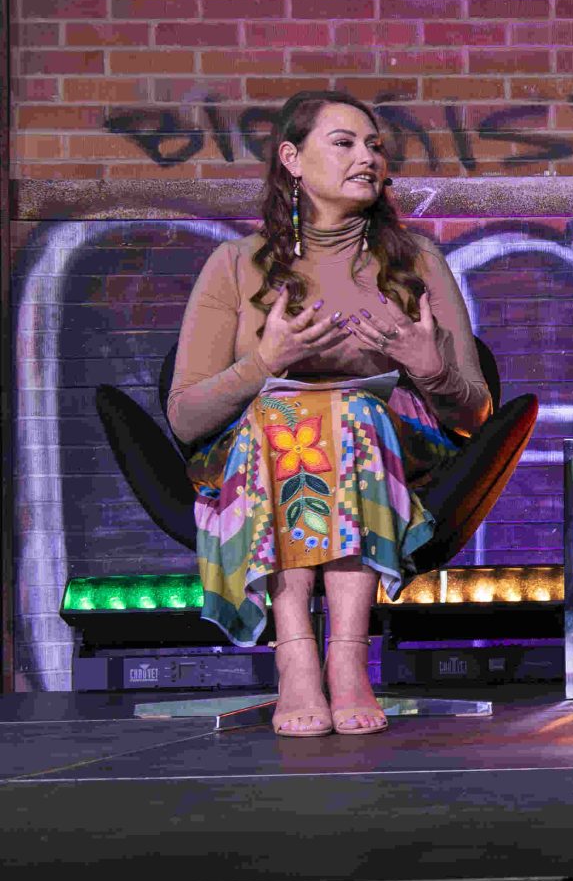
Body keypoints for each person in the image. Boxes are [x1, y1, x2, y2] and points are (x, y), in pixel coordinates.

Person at [170, 90, 492, 735]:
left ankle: (346, 660)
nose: (367, 157)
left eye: (374, 145)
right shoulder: (235, 265)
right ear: (292, 158)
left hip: (392, 461)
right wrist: (265, 364)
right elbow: (184, 417)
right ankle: (296, 660)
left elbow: (479, 415)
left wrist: (429, 367)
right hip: (259, 459)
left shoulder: (417, 262)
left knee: (345, 415)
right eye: (343, 143)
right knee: (290, 420)